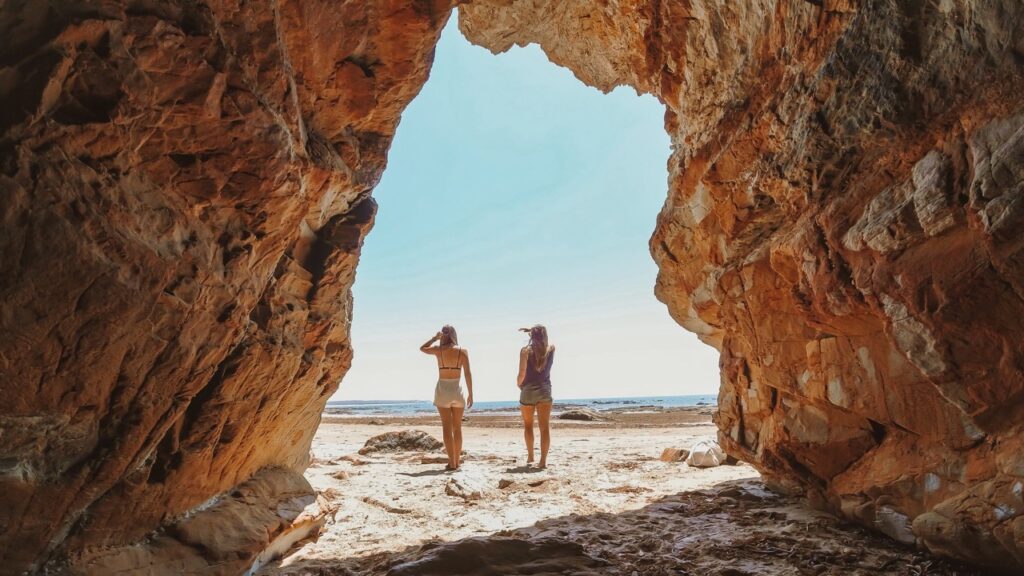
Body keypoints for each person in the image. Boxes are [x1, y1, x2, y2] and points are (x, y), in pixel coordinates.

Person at [420, 325, 473, 470]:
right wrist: (471, 393)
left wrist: (434, 338)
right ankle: (457, 461)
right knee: (457, 428)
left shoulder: (439, 350)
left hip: (443, 389)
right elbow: (468, 373)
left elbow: (422, 348)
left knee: (446, 428)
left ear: (443, 335)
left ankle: (452, 463)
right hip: (457, 389)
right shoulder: (463, 351)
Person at [517, 324, 554, 468]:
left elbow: (521, 374)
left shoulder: (525, 351)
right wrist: (533, 332)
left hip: (528, 390)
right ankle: (543, 461)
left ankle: (530, 456)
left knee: (528, 426)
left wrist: (519, 385)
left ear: (532, 336)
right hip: (544, 390)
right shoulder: (551, 349)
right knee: (544, 427)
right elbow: (542, 344)